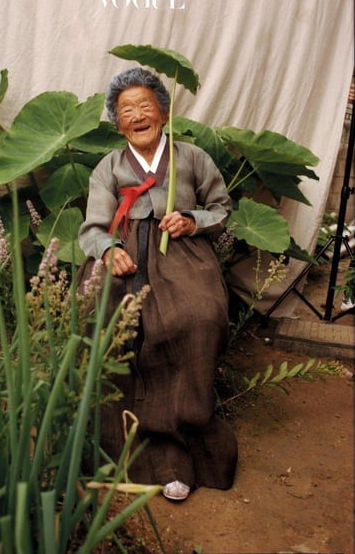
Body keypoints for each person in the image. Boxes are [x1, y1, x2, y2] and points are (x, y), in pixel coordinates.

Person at [77, 67, 237, 501]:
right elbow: (93, 227)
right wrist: (108, 250)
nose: (137, 115)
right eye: (126, 110)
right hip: (125, 255)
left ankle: (179, 455)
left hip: (181, 253)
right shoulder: (109, 167)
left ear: (163, 113)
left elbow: (221, 207)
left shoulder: (192, 157)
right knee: (103, 322)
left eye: (145, 106)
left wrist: (192, 219)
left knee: (198, 318)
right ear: (118, 124)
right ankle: (114, 448)